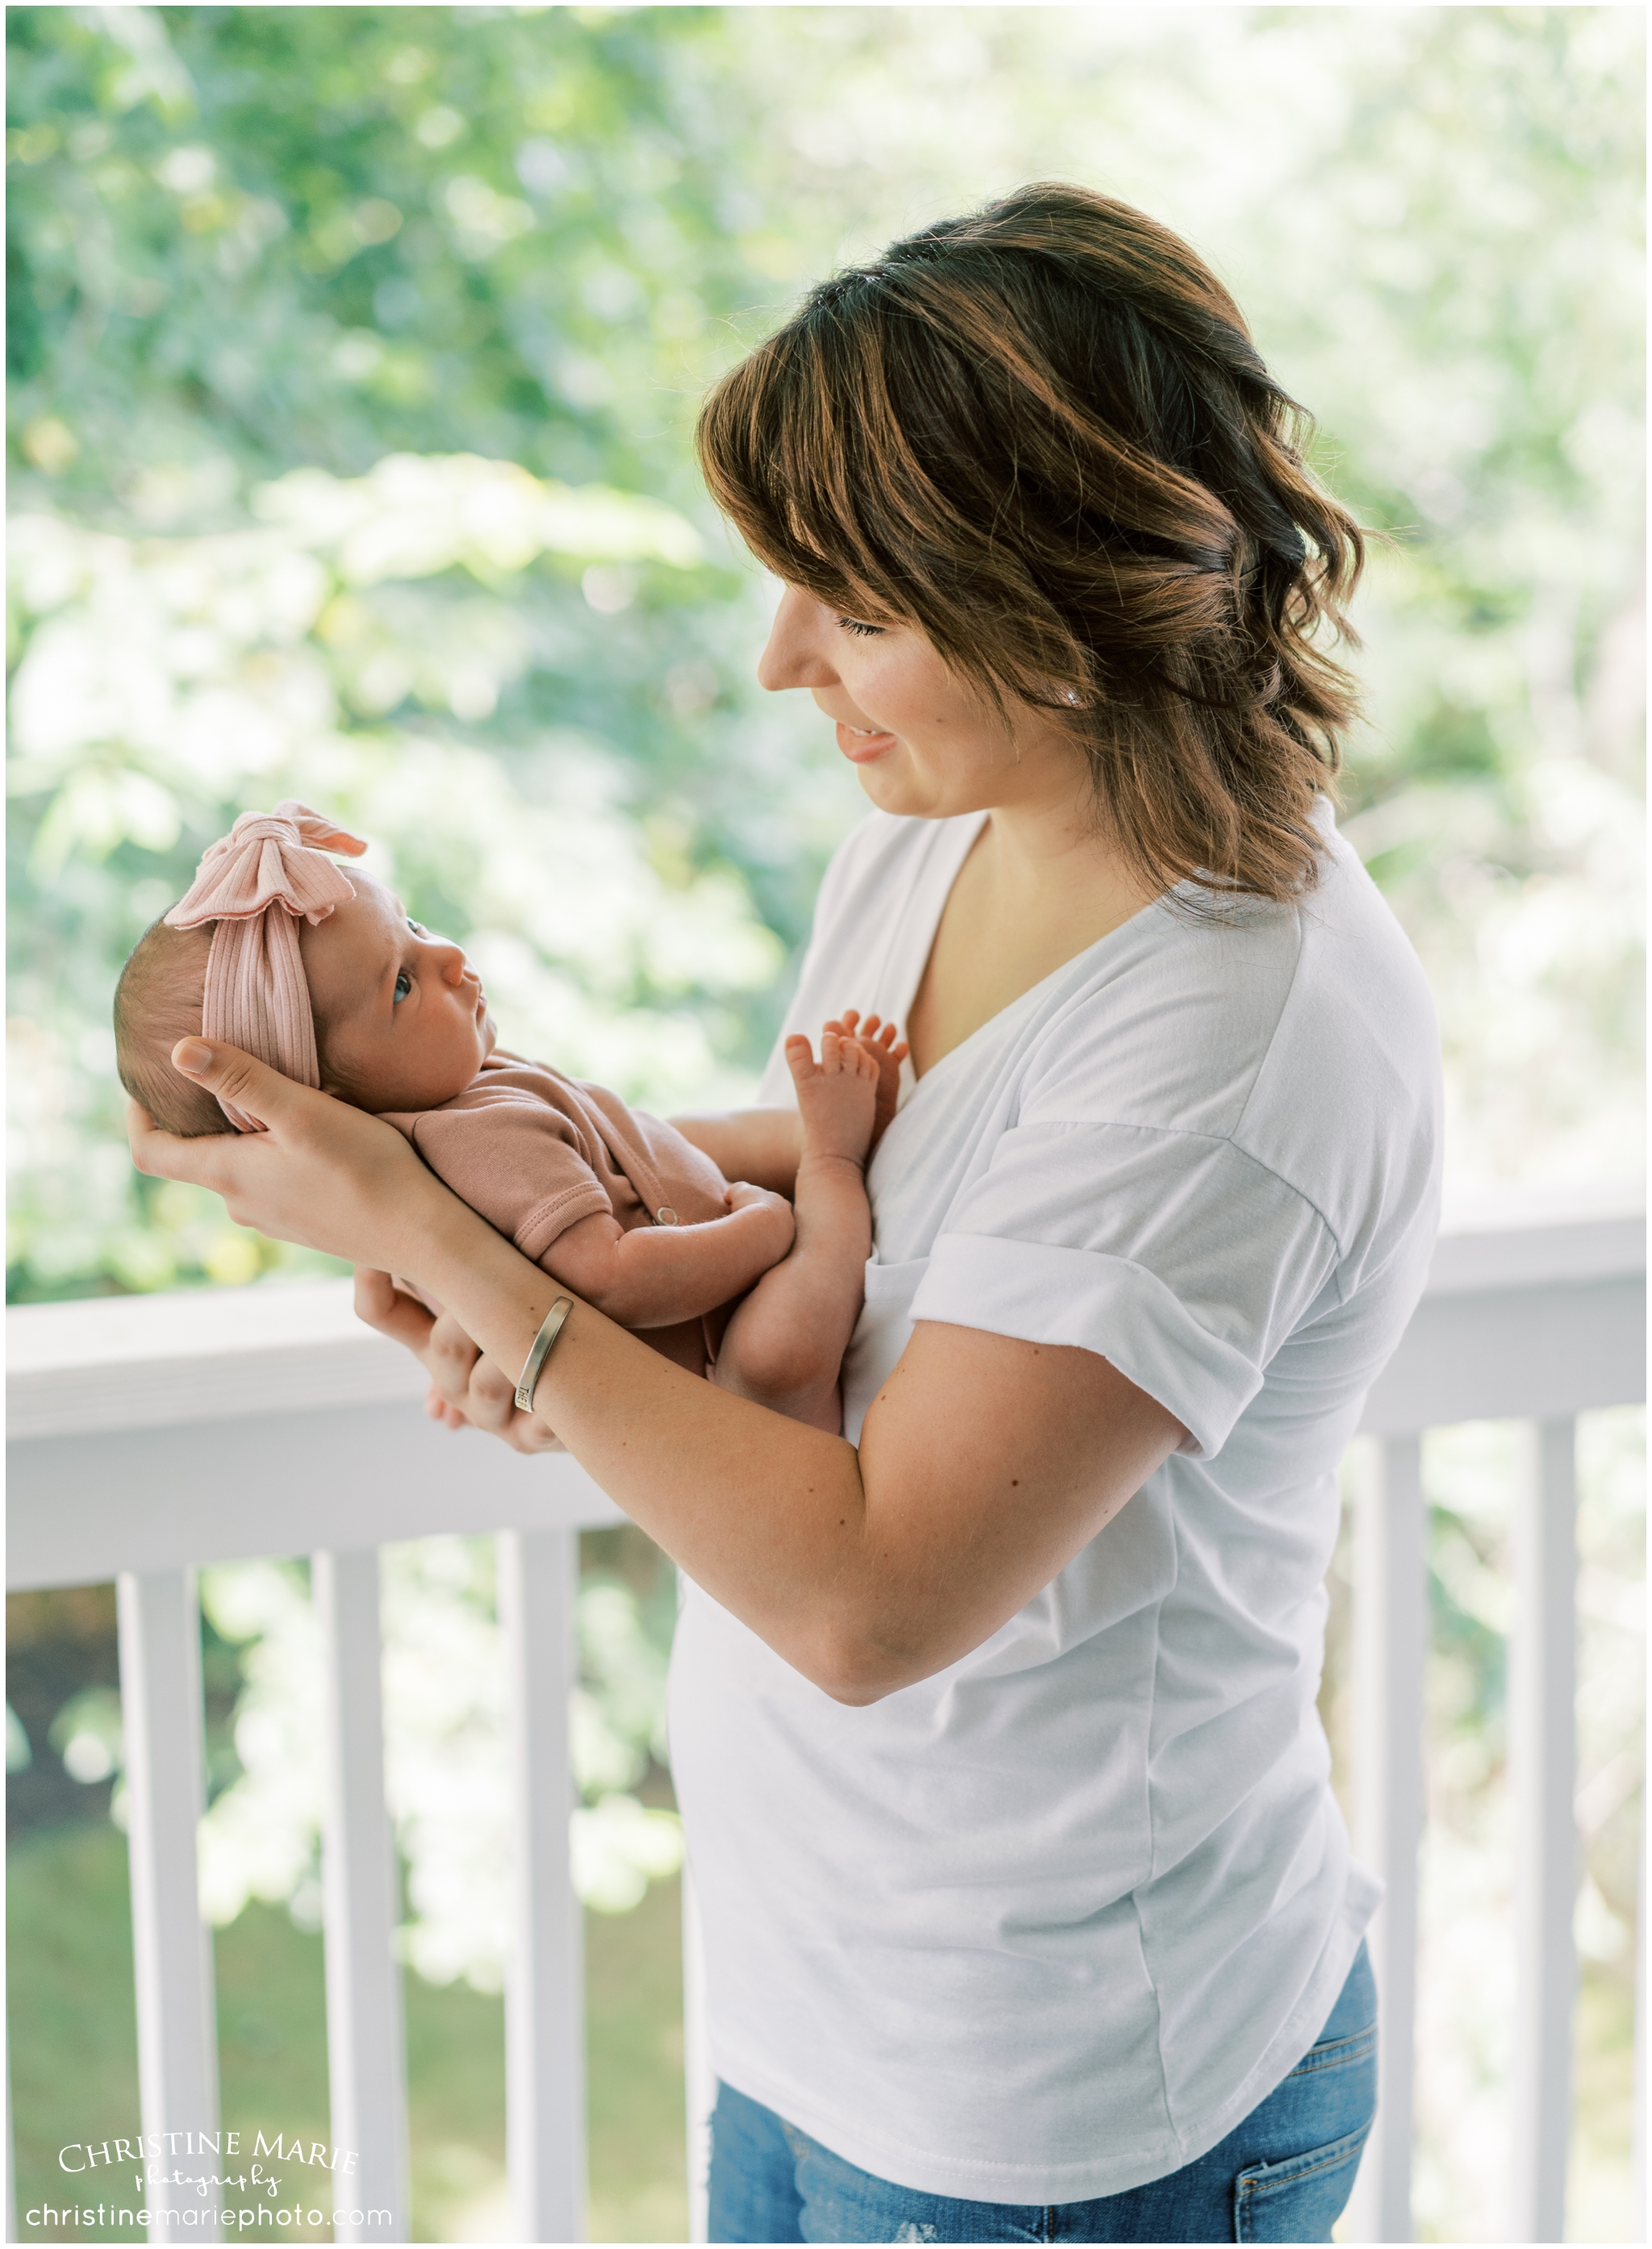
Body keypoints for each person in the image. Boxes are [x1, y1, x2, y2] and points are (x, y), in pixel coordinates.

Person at [129, 182, 1441, 2243]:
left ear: (1053, 588)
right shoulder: (947, 838)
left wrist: (446, 1235)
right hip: (818, 1999)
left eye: (849, 603)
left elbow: (864, 1601)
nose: (773, 662)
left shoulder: (1237, 1040)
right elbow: (884, 1167)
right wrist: (543, 1244)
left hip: (1063, 2108)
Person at [115, 799, 905, 1430]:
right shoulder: (475, 1140)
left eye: (415, 926)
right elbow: (614, 1277)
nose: (450, 956)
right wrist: (766, 1222)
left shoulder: (472, 1091)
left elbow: (641, 1141)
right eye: (400, 984)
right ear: (330, 1104)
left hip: (708, 1304)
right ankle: (836, 1156)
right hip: (736, 1361)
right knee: (778, 1346)